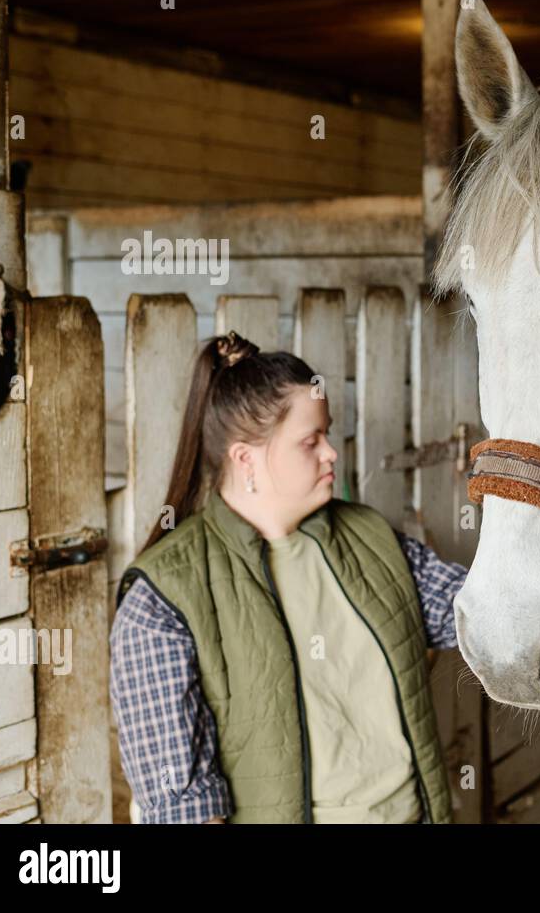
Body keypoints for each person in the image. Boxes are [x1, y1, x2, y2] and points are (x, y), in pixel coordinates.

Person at [109, 331, 465, 823]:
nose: (331, 454)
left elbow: (478, 614)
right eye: (310, 440)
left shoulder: (371, 538)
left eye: (328, 434)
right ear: (246, 459)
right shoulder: (162, 600)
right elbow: (183, 811)